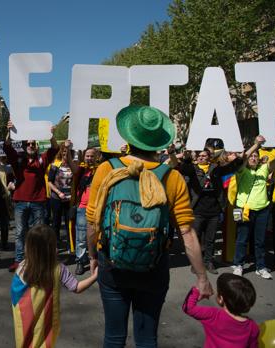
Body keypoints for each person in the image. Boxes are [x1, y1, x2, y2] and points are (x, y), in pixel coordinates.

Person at [86, 105, 213, 348]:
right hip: (154, 266)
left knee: (113, 337)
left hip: (112, 263)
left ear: (128, 137)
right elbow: (187, 232)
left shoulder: (108, 169)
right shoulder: (171, 176)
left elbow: (92, 222)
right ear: (158, 143)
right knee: (147, 338)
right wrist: (202, 277)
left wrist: (93, 255)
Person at [11, 224, 98, 348]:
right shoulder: (58, 269)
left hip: (25, 327)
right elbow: (76, 287)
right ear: (51, 248)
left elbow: (16, 297)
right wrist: (94, 276)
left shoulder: (22, 267)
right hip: (45, 326)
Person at [177, 147, 244, 274]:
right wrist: (186, 158)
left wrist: (239, 158)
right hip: (197, 210)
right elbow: (184, 168)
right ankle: (197, 263)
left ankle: (209, 262)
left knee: (210, 239)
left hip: (214, 210)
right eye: (199, 156)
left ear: (209, 157)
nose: (201, 157)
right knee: (196, 239)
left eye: (204, 155)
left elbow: (231, 168)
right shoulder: (193, 169)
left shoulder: (216, 169)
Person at [3, 120, 59, 271]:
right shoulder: (18, 159)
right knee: (20, 233)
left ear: (37, 146)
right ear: (24, 145)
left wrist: (51, 135)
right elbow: (7, 146)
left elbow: (55, 147)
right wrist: (9, 131)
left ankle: (36, 260)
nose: (31, 146)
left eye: (33, 144)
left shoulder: (42, 158)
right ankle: (19, 260)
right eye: (28, 143)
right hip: (20, 202)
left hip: (38, 202)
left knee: (38, 235)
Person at [232, 135, 275, 279]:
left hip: (262, 210)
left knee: (260, 241)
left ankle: (260, 266)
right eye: (251, 156)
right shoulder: (241, 170)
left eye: (255, 156)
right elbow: (242, 158)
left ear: (259, 158)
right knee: (242, 238)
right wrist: (256, 145)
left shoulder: (264, 169)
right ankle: (238, 265)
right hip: (241, 209)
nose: (253, 158)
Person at [183, 273, 259, 348]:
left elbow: (188, 308)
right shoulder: (252, 327)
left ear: (221, 299)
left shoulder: (213, 315)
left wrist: (197, 289)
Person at [71, 147, 98, 275]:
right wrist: (67, 148)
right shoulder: (80, 170)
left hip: (97, 208)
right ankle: (81, 261)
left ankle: (95, 259)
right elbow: (71, 164)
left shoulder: (100, 170)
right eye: (87, 156)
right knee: (81, 237)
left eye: (92, 156)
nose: (89, 158)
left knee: (96, 236)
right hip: (82, 208)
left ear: (96, 157)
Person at [48, 140, 75, 249]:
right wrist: (59, 193)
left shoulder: (73, 165)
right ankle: (55, 245)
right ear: (60, 152)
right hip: (57, 198)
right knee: (56, 222)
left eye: (67, 152)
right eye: (63, 152)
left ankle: (71, 246)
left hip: (70, 199)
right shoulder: (55, 164)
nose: (65, 154)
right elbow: (49, 182)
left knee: (70, 222)